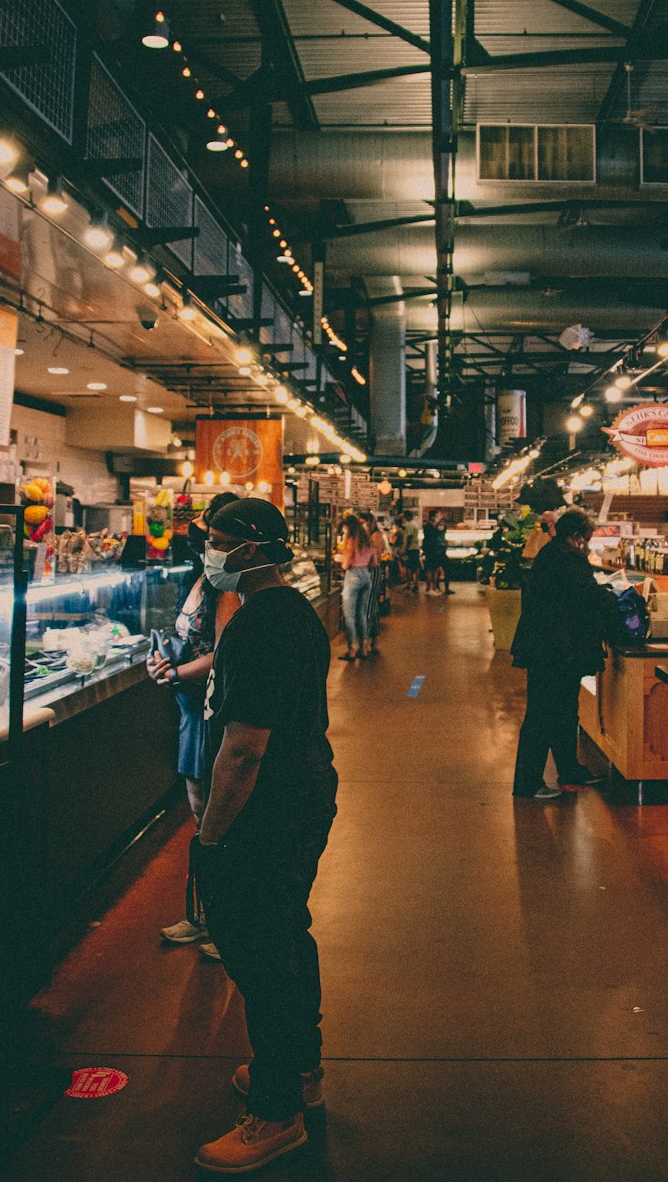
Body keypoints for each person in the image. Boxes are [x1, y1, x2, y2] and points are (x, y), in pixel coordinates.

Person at [191, 497, 338, 1175]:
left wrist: (212, 837)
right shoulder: (297, 614)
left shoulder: (256, 628)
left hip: (267, 811)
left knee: (260, 957)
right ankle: (300, 1069)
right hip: (306, 794)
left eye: (216, 541)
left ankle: (277, 1115)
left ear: (249, 549)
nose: (209, 553)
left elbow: (244, 749)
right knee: (286, 935)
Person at [149, 492, 241, 959]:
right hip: (188, 710)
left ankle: (224, 924)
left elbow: (221, 655)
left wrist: (176, 673)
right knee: (199, 809)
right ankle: (206, 916)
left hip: (206, 712)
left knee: (213, 815)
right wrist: (162, 659)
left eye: (211, 534)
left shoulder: (226, 589)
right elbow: (189, 636)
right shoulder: (202, 581)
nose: (201, 539)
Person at [510, 507, 629, 799]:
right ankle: (527, 783)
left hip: (549, 648)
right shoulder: (567, 559)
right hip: (554, 651)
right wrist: (617, 600)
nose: (587, 544)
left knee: (563, 712)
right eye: (586, 538)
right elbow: (587, 597)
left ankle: (570, 771)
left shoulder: (553, 554)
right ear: (576, 536)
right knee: (543, 715)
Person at [339, 513, 377, 659]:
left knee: (349, 616)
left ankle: (351, 650)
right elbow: (374, 562)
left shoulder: (351, 539)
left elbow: (346, 564)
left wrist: (341, 560)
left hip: (353, 576)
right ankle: (363, 648)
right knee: (361, 614)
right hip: (366, 577)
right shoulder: (368, 540)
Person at [358, 510, 387, 651]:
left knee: (368, 606)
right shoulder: (368, 535)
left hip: (371, 571)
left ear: (369, 522)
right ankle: (374, 641)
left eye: (362, 523)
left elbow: (376, 557)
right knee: (372, 606)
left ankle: (365, 642)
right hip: (366, 570)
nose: (360, 526)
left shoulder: (376, 535)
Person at [422, 509, 447, 595]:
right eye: (436, 516)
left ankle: (431, 588)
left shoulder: (427, 526)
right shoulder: (430, 527)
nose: (437, 518)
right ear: (432, 517)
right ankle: (431, 588)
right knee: (432, 569)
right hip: (432, 550)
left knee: (432, 569)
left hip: (430, 550)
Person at [401, 509, 421, 593]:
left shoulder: (409, 525)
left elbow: (409, 537)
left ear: (407, 516)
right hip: (416, 548)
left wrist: (405, 548)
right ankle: (416, 583)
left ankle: (408, 584)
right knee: (416, 567)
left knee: (409, 567)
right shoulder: (415, 524)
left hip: (410, 548)